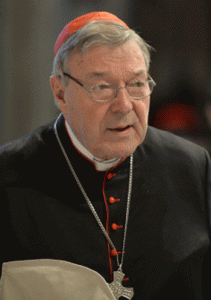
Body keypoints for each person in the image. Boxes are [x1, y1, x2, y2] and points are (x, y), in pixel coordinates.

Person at [0, 11, 210, 300]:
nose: (124, 105)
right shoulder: (8, 175)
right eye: (102, 87)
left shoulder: (193, 167)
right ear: (60, 93)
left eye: (137, 84)